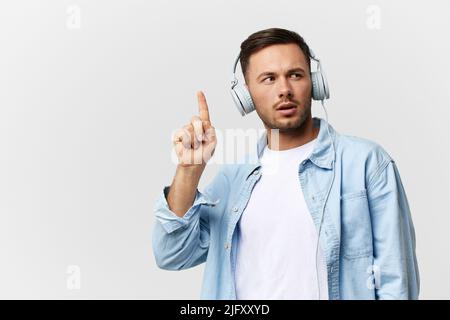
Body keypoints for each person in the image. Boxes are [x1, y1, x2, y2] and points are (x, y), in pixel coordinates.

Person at [152, 27, 420, 300]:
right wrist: (188, 171)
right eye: (268, 79)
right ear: (247, 96)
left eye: (295, 75)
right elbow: (172, 254)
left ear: (315, 83)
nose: (284, 90)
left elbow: (396, 280)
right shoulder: (234, 179)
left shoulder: (366, 163)